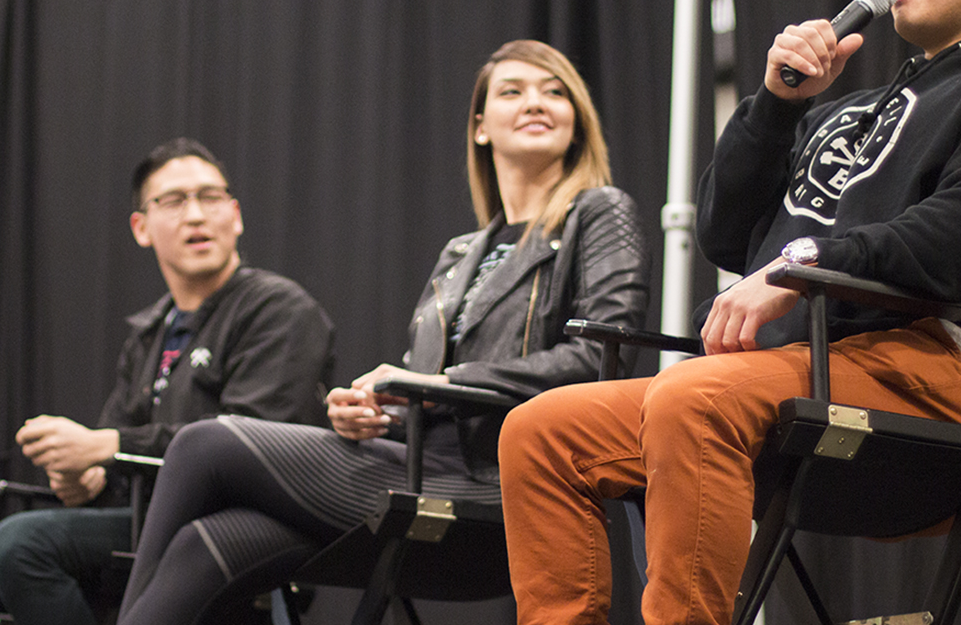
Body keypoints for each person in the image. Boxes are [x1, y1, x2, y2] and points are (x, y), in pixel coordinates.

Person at [497, 0, 961, 625]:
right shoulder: (839, 112)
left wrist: (801, 266)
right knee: (543, 430)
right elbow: (723, 232)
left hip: (926, 372)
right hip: (786, 370)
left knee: (693, 397)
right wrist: (778, 106)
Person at [113, 40, 651, 624]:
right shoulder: (460, 253)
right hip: (417, 459)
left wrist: (432, 383)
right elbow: (428, 391)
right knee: (212, 541)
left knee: (202, 444)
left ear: (577, 121)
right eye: (513, 91)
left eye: (555, 91)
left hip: (499, 484)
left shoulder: (600, 211)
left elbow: (602, 361)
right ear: (479, 127)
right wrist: (378, 412)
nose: (536, 102)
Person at [0, 138, 337, 625]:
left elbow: (247, 443)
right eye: (173, 202)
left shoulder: (280, 311)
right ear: (141, 227)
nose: (195, 215)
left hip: (233, 530)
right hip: (146, 525)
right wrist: (85, 477)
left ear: (235, 216)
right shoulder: (150, 331)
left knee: (22, 544)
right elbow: (117, 454)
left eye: (210, 198)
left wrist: (106, 447)